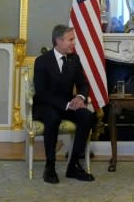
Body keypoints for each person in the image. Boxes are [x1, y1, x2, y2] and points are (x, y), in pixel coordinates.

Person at [33, 24, 96, 184]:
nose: (74, 43)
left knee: (87, 116)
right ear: (58, 41)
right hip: (46, 105)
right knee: (53, 118)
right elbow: (41, 93)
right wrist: (67, 104)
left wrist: (80, 97)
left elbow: (84, 83)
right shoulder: (42, 61)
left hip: (68, 105)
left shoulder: (74, 59)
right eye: (71, 39)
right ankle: (50, 166)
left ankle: (73, 165)